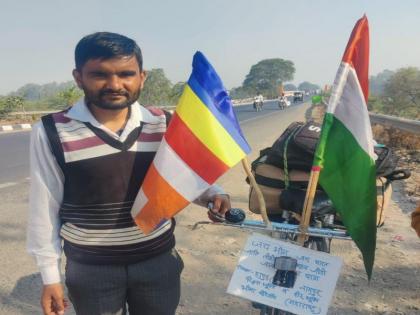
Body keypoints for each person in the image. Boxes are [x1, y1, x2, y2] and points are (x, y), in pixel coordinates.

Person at [27, 32, 231, 315]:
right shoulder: (51, 131)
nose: (115, 84)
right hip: (91, 271)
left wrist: (214, 194)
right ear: (78, 77)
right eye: (100, 74)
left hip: (157, 262)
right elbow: (43, 208)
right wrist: (50, 277)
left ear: (142, 77)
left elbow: (182, 176)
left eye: (126, 74)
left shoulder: (163, 123)